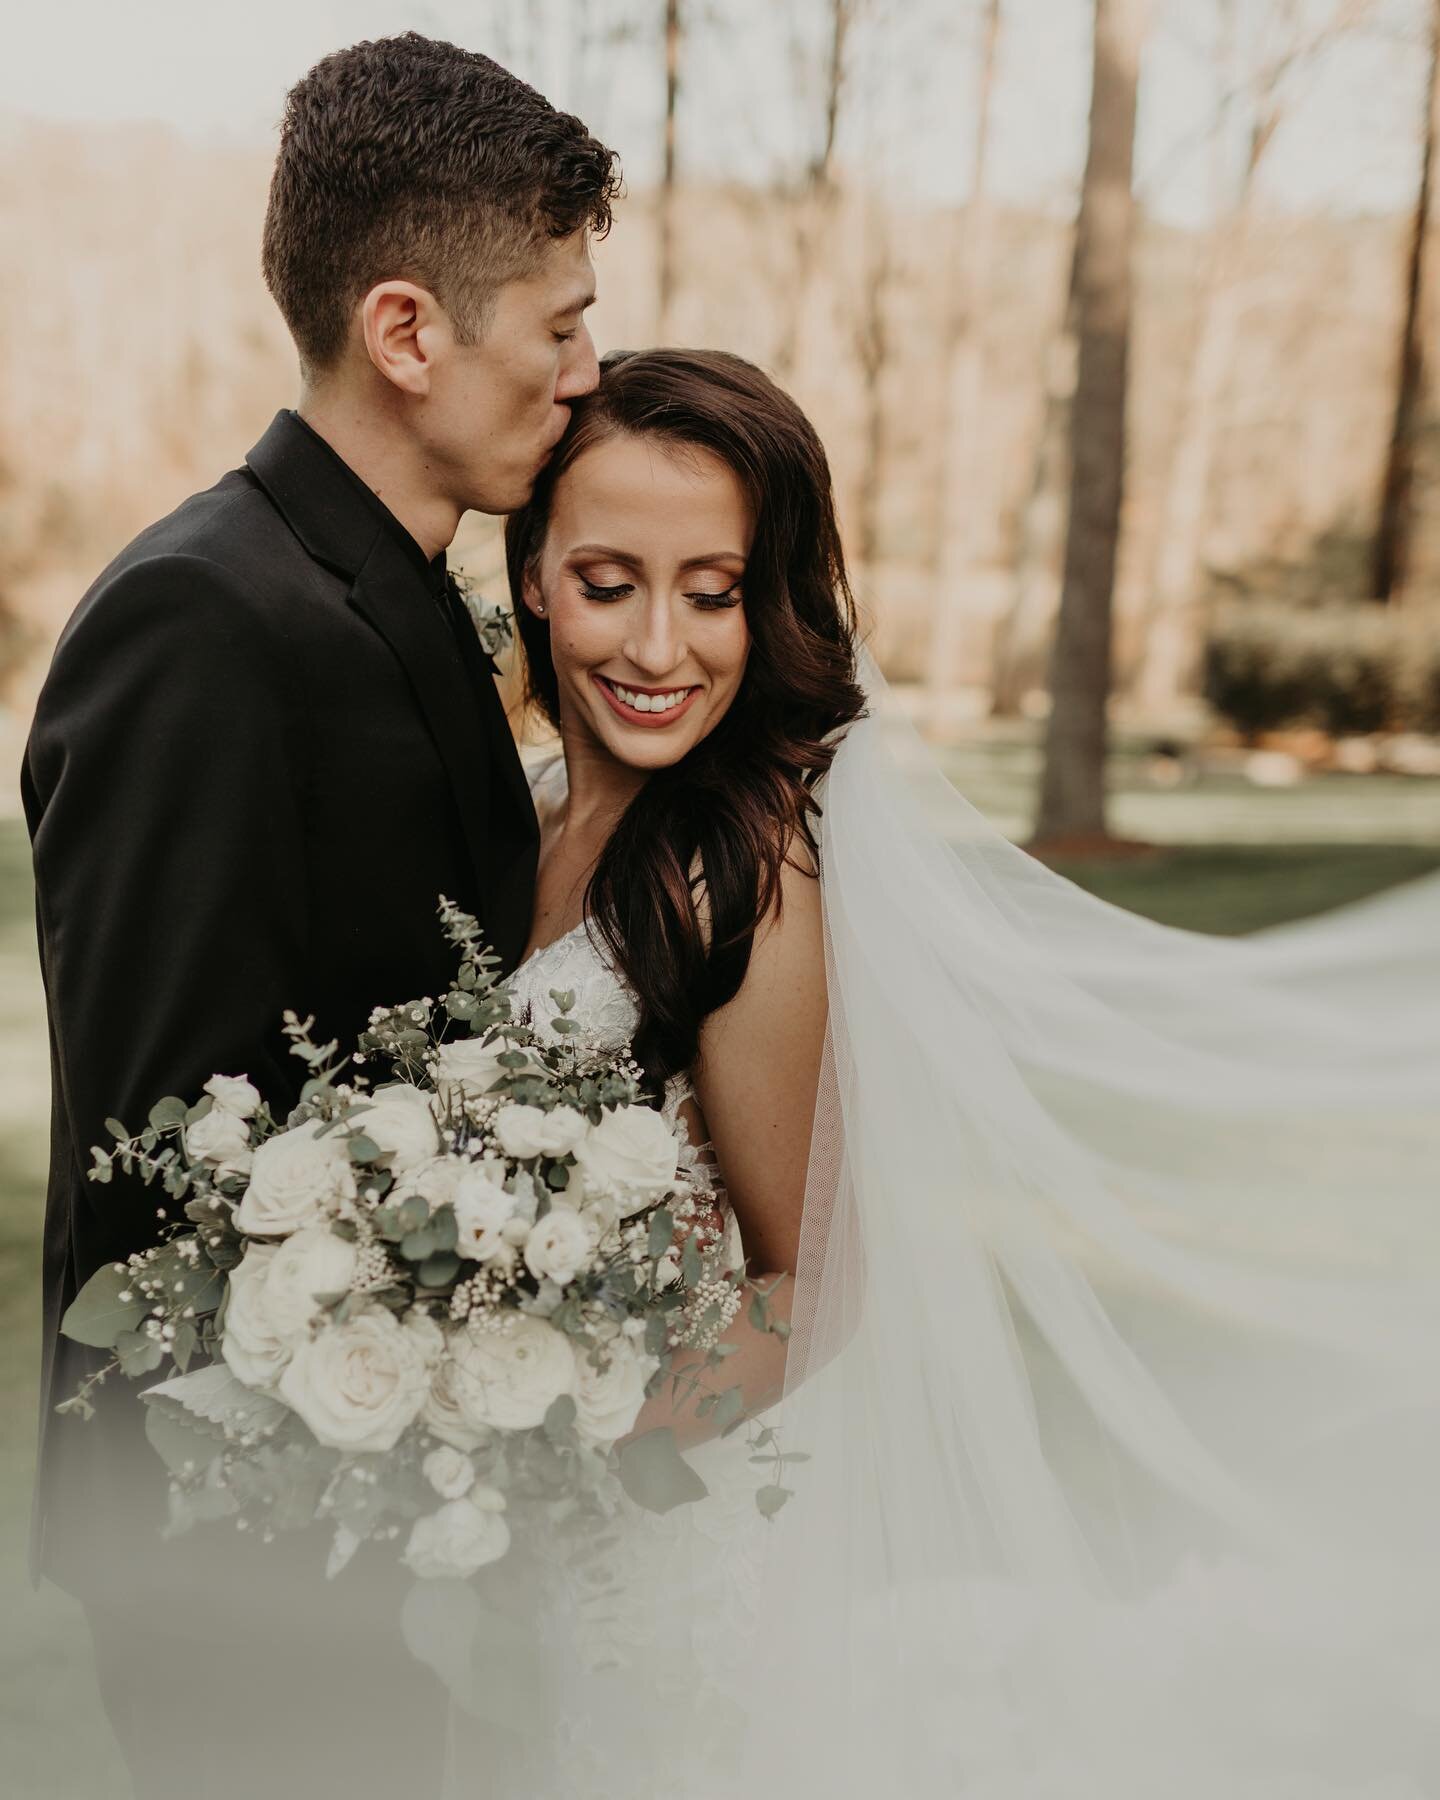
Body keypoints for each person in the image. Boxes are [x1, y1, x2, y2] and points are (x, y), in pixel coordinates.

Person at [457, 344, 1439, 1797]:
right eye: (609, 583)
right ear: (533, 572)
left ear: (765, 599)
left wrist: (571, 1438)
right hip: (488, 1548)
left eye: (713, 592)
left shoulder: (750, 873)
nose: (658, 647)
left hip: (644, 1552)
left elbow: (819, 1285)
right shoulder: (516, 812)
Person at [23, 33, 617, 1799]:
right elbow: (168, 1158)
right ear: (409, 330)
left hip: (384, 1518)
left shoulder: (408, 592)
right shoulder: (201, 622)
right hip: (240, 1547)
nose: (590, 370)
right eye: (562, 323)